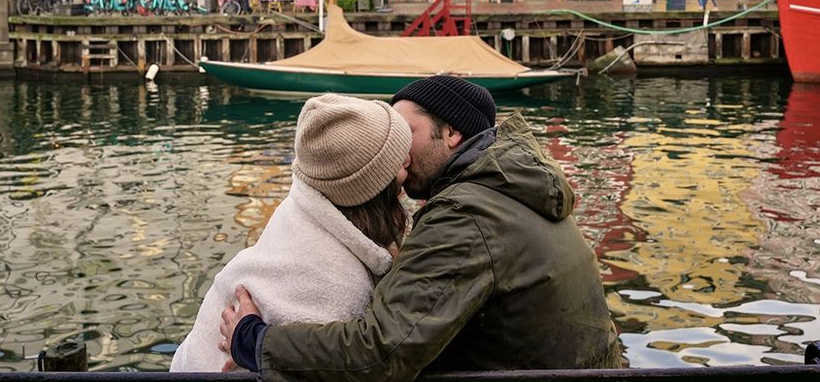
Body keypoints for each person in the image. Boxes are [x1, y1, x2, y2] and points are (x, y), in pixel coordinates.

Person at [219, 75, 623, 379]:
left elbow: (379, 351)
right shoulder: (513, 188)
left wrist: (253, 340)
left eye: (404, 134)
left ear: (451, 133)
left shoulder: (467, 215)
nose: (396, 152)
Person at [170, 93, 412, 372]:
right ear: (372, 186)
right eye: (398, 161)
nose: (407, 160)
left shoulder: (297, 212)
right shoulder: (335, 283)